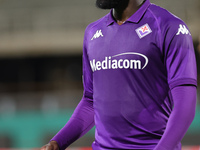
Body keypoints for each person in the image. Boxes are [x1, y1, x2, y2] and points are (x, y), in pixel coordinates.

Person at [41, 0, 197, 150]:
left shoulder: (168, 26)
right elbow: (90, 101)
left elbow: (185, 101)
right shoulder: (93, 32)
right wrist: (58, 142)